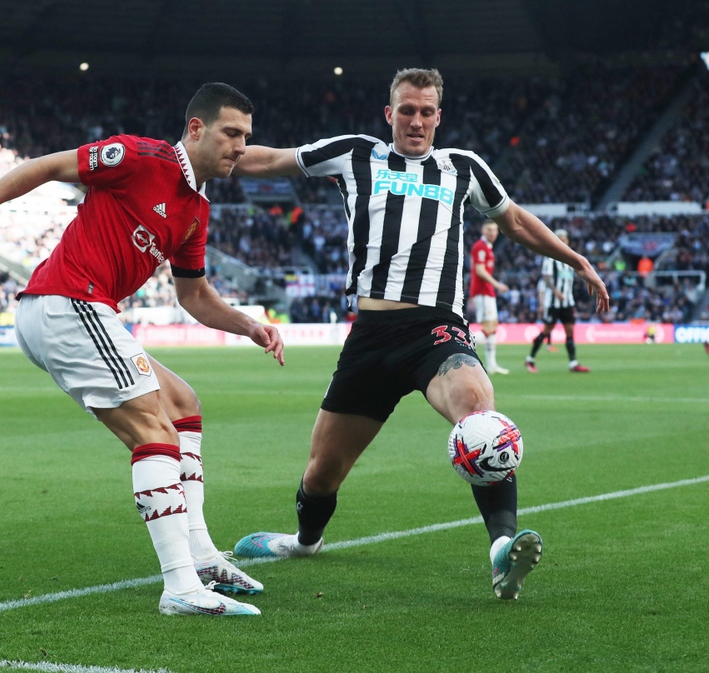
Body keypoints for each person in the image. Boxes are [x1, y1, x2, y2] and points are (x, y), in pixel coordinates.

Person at [228, 68, 609, 600]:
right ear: (390, 114)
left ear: (438, 117)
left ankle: (502, 551)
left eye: (427, 111)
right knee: (321, 474)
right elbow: (269, 158)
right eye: (407, 110)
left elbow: (516, 220)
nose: (416, 120)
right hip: (371, 336)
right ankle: (305, 541)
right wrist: (185, 158)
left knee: (482, 420)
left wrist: (575, 259)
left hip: (437, 331)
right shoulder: (355, 153)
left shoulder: (463, 168)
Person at [0, 83, 285, 617]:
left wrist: (249, 326)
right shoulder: (143, 158)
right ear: (196, 129)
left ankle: (202, 554)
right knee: (154, 429)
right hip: (66, 302)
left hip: (76, 310)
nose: (241, 146)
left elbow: (193, 295)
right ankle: (181, 586)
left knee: (182, 403)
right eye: (231, 132)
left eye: (246, 137)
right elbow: (47, 166)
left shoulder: (196, 209)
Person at [525, 229, 590, 373]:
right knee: (547, 330)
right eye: (561, 239)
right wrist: (555, 291)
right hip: (553, 301)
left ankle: (573, 363)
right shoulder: (550, 258)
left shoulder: (571, 258)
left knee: (570, 331)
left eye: (565, 239)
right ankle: (530, 359)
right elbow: (546, 277)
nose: (564, 241)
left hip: (568, 301)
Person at [468, 221, 510, 375]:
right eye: (489, 229)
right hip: (483, 291)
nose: (493, 233)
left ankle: (492, 365)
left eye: (495, 230)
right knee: (490, 327)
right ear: (483, 230)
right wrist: (497, 285)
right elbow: (479, 270)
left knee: (492, 328)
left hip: (487, 292)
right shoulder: (480, 246)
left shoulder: (488, 248)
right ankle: (465, 342)